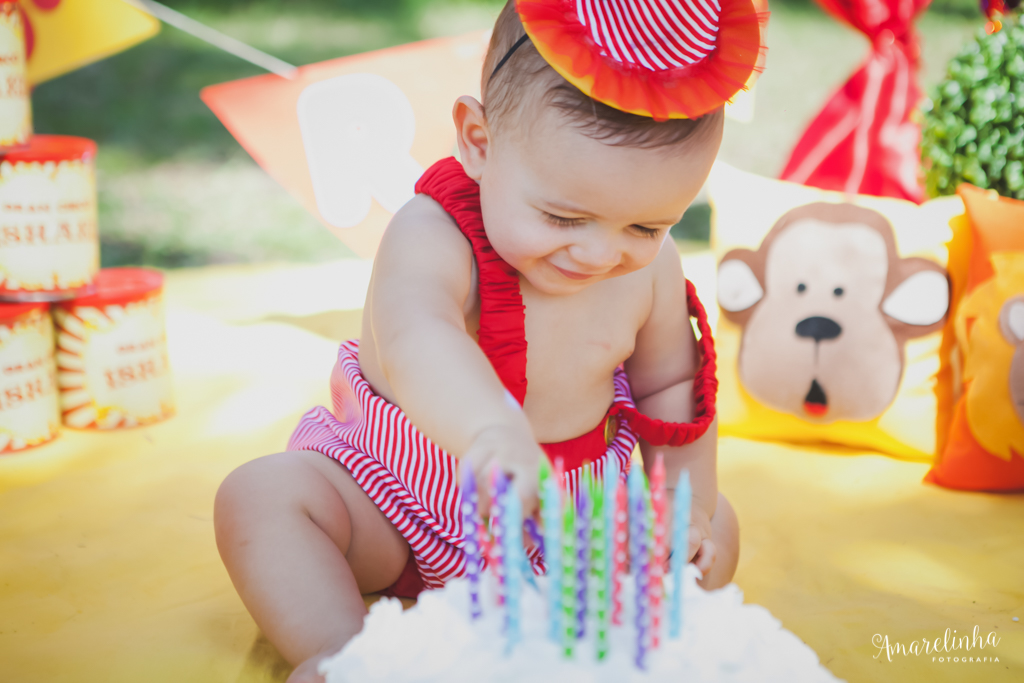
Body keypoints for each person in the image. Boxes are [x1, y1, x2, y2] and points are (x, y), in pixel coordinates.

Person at [214, 1, 767, 681]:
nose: (599, 253)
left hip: (577, 518)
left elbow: (672, 389)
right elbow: (419, 336)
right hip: (404, 504)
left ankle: (625, 644)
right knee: (263, 496)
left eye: (645, 226)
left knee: (719, 530)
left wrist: (686, 508)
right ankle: (348, 655)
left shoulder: (652, 267)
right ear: (478, 141)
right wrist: (487, 429)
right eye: (564, 215)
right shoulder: (432, 233)